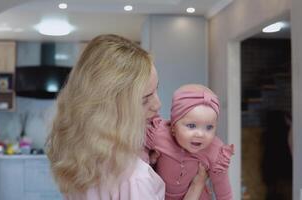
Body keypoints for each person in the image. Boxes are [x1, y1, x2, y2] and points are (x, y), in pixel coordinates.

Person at [46, 34, 207, 200]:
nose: (157, 104)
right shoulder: (136, 179)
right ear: (110, 109)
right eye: (145, 99)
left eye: (156, 90)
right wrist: (196, 187)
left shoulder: (82, 159)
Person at [145, 84, 234, 200]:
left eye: (209, 127)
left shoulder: (215, 151)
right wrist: (150, 161)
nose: (200, 134)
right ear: (173, 127)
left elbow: (224, 193)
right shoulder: (158, 134)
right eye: (191, 126)